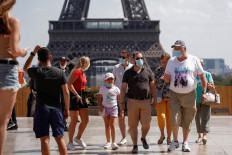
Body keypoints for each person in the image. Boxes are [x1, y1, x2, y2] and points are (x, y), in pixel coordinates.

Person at [23, 46, 70, 155]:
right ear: (51, 57)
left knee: (44, 139)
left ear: (39, 59)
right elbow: (66, 93)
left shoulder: (37, 71)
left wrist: (33, 53)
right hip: (56, 109)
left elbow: (26, 67)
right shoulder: (60, 72)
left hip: (41, 108)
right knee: (60, 138)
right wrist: (66, 109)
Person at [164, 40, 207, 152]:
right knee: (174, 117)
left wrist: (204, 92)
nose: (176, 50)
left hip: (190, 95)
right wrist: (166, 78)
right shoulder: (171, 61)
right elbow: (167, 76)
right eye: (175, 49)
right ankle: (175, 141)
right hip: (174, 94)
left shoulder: (194, 60)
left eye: (178, 48)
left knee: (188, 119)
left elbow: (202, 77)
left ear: (184, 49)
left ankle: (185, 142)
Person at [0, 0, 30, 154]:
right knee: (2, 122)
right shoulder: (13, 22)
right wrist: (25, 52)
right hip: (7, 69)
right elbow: (14, 49)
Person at [121, 52, 157, 153]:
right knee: (133, 125)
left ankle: (143, 137)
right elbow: (123, 88)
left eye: (141, 58)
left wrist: (154, 100)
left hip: (145, 101)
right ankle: (135, 145)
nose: (140, 60)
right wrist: (121, 102)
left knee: (146, 124)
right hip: (132, 101)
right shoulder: (128, 73)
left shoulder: (148, 71)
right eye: (137, 58)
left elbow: (153, 87)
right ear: (133, 59)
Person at [67, 56, 90, 150]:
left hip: (82, 95)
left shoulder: (82, 73)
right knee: (74, 121)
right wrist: (76, 95)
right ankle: (70, 142)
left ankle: (78, 138)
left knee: (85, 120)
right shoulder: (77, 72)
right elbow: (69, 84)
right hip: (75, 96)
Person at [112, 49, 133, 145]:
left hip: (131, 94)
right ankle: (124, 137)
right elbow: (112, 81)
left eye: (123, 57)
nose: (121, 58)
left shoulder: (133, 67)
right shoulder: (116, 67)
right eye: (120, 57)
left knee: (132, 117)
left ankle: (133, 135)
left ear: (128, 58)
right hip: (120, 94)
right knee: (121, 116)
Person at [97, 73, 122, 150]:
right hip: (105, 108)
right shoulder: (102, 88)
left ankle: (114, 142)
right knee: (107, 125)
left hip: (114, 108)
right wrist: (100, 106)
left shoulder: (116, 89)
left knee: (113, 125)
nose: (111, 80)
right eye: (109, 79)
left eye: (112, 79)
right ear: (105, 80)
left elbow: (120, 100)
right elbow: (99, 98)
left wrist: (122, 110)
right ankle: (108, 142)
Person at [195, 59, 215, 145]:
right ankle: (199, 136)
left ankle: (204, 136)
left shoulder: (207, 74)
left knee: (205, 117)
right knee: (197, 118)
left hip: (205, 99)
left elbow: (212, 87)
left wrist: (209, 84)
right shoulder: (193, 75)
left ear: (203, 66)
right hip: (194, 99)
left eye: (200, 65)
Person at [154, 52, 172, 145]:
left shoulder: (173, 70)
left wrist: (169, 78)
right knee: (161, 117)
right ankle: (162, 135)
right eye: (162, 62)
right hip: (160, 97)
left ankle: (169, 137)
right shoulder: (158, 70)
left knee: (170, 119)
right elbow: (154, 83)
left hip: (171, 97)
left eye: (166, 62)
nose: (164, 64)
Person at [57, 57, 69, 131]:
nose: (63, 63)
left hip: (66, 91)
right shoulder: (57, 70)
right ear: (59, 62)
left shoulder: (69, 70)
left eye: (64, 61)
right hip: (59, 91)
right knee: (59, 107)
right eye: (61, 61)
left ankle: (64, 123)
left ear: (66, 62)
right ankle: (62, 123)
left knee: (64, 107)